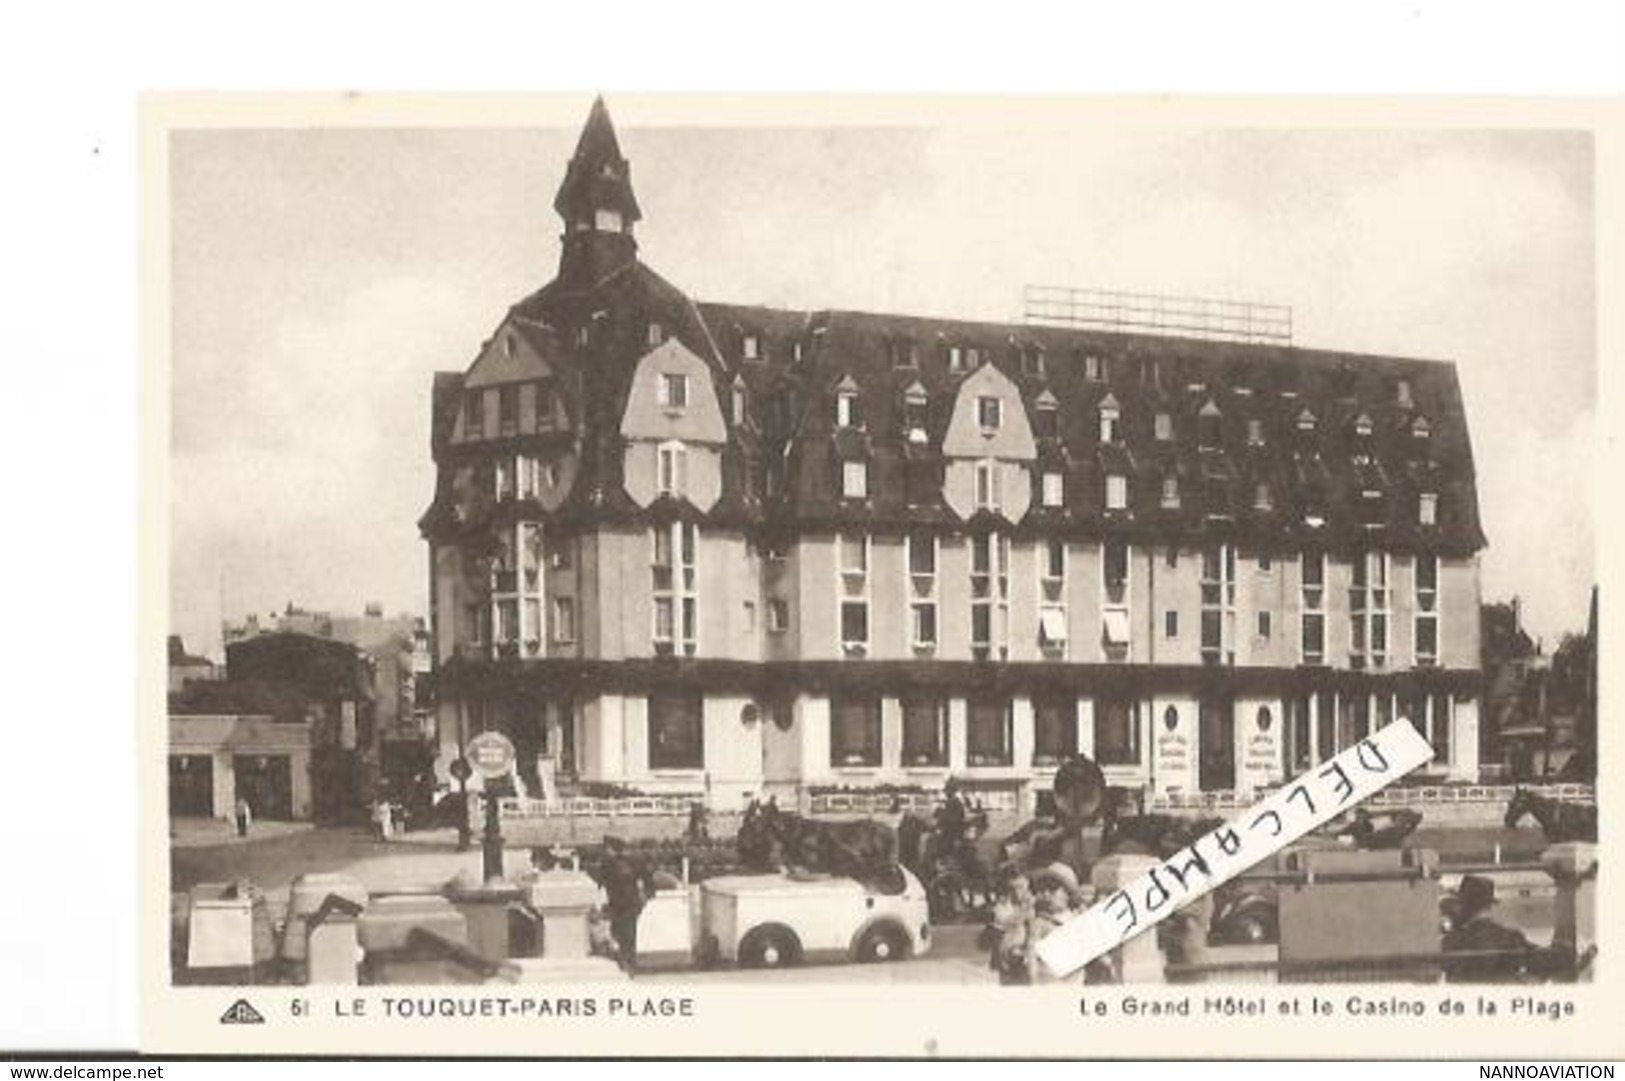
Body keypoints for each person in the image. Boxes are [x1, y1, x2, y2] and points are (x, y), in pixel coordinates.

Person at [1443, 875, 1539, 983]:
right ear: (1490, 906)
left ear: (1464, 905)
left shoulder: (1452, 940)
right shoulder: (1511, 937)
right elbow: (1548, 960)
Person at [595, 837, 654, 974]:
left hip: (630, 903)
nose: (605, 851)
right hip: (614, 904)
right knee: (617, 933)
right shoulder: (606, 864)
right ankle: (623, 962)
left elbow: (647, 878)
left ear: (613, 849)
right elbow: (600, 883)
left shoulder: (633, 862)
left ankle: (629, 964)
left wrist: (646, 895)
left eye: (607, 848)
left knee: (628, 933)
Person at [986, 866, 1036, 985]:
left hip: (1028, 956)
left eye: (1022, 887)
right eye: (1013, 888)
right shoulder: (1002, 905)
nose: (1018, 892)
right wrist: (1025, 909)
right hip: (1008, 957)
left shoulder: (1033, 903)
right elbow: (1007, 923)